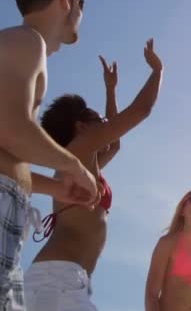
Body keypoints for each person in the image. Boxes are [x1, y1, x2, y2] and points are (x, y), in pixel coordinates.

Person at [24, 39, 164, 310]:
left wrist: (110, 90)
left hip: (64, 281)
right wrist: (157, 72)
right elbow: (141, 111)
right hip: (57, 281)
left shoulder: (83, 159)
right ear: (81, 127)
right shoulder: (78, 151)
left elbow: (115, 142)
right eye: (98, 119)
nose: (105, 123)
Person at [0, 0, 98, 308]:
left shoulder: (20, 43)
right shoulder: (29, 41)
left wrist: (55, 187)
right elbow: (11, 130)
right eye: (80, 1)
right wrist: (74, 167)